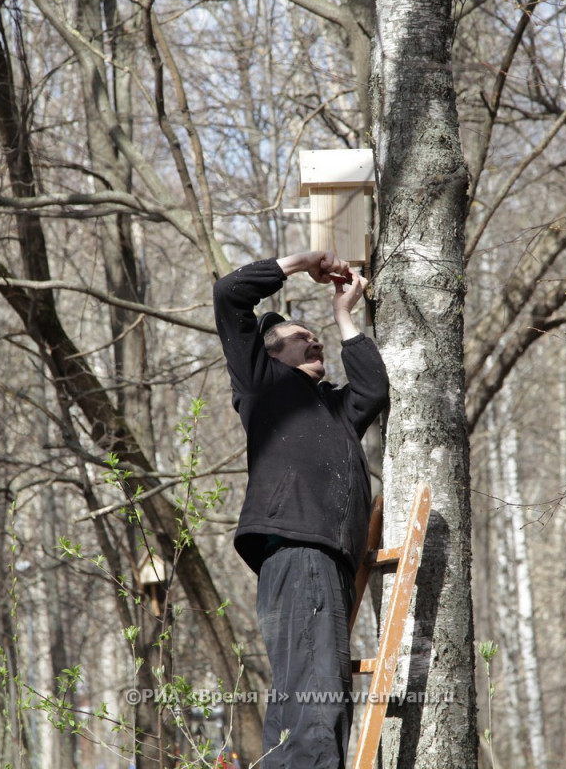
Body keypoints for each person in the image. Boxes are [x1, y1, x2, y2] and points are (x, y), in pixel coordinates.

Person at [213, 251, 390, 768]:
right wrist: (299, 262)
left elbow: (372, 390)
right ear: (269, 353)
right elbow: (228, 294)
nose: (314, 341)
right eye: (299, 336)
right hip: (300, 549)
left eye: (317, 337)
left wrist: (344, 317)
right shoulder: (261, 385)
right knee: (315, 696)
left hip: (325, 559)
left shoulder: (333, 407)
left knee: (308, 691)